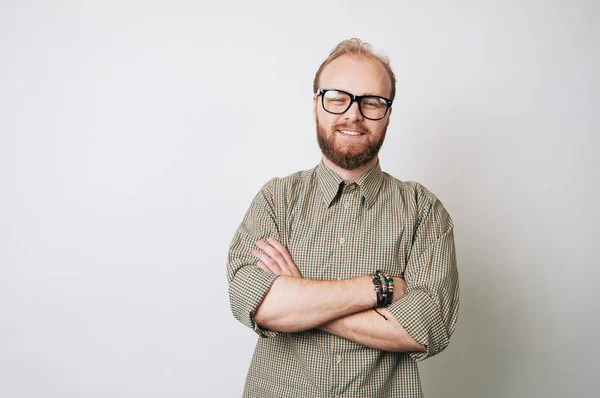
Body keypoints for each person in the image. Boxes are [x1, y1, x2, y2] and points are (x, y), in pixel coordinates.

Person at [227, 38, 459, 398]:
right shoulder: (276, 199)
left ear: (388, 114)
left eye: (371, 102)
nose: (353, 114)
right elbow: (252, 300)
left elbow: (425, 327)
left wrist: (302, 300)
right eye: (338, 98)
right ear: (317, 106)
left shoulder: (424, 211)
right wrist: (377, 288)